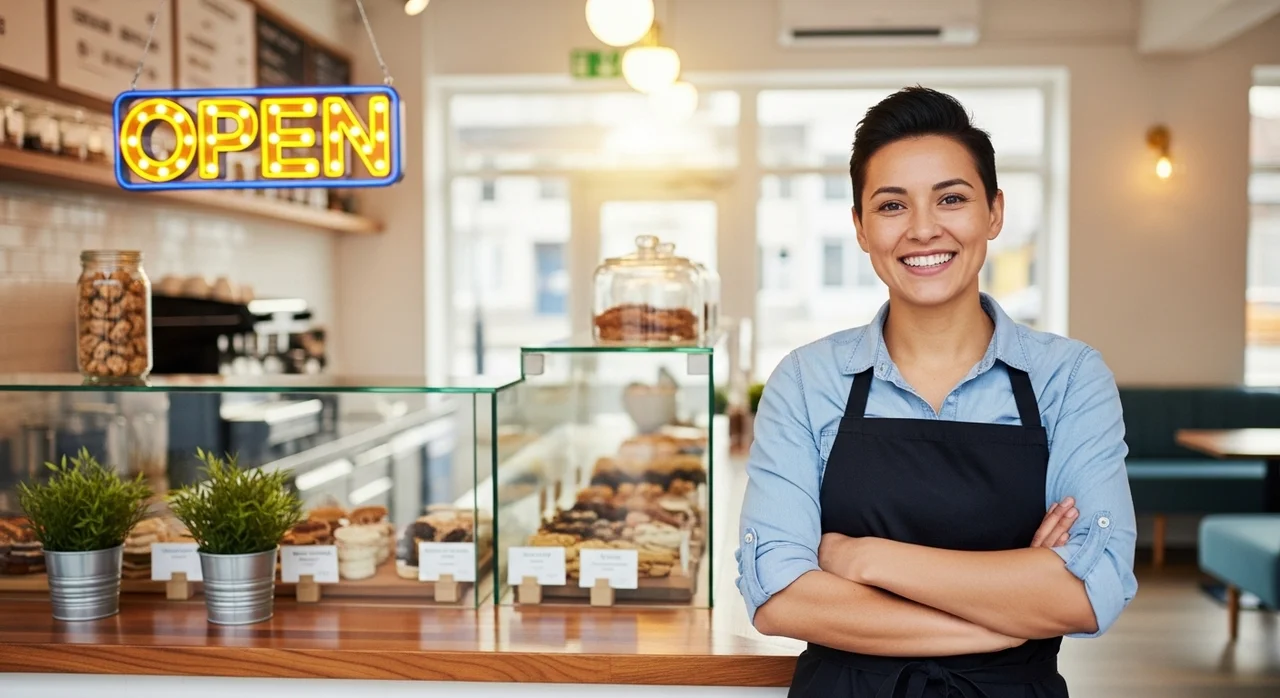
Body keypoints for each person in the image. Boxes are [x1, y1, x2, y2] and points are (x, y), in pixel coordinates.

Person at [735, 86, 1138, 697]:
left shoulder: (1069, 378)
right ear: (861, 228)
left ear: (994, 213)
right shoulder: (807, 380)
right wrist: (1005, 618)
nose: (923, 230)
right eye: (892, 206)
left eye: (951, 198)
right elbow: (780, 597)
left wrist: (864, 559)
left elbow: (1090, 590)